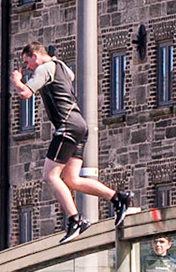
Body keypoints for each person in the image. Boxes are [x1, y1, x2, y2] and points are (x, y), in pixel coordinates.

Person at [11, 41, 131, 242]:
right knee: (72, 179)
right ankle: (118, 197)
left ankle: (76, 219)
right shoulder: (60, 67)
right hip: (79, 125)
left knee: (50, 175)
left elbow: (26, 93)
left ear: (35, 56)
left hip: (67, 126)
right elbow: (71, 76)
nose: (27, 68)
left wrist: (17, 80)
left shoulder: (44, 68)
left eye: (27, 62)